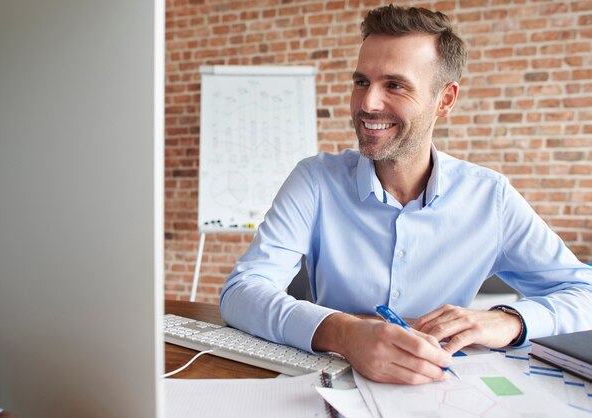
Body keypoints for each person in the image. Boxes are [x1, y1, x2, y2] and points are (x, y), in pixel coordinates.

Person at [219, 4, 592, 384]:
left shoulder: (490, 197)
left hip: (442, 394)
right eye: (362, 81)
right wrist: (344, 333)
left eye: (394, 85)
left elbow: (585, 293)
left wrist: (508, 319)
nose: (367, 104)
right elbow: (241, 293)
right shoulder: (316, 180)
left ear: (444, 100)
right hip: (326, 388)